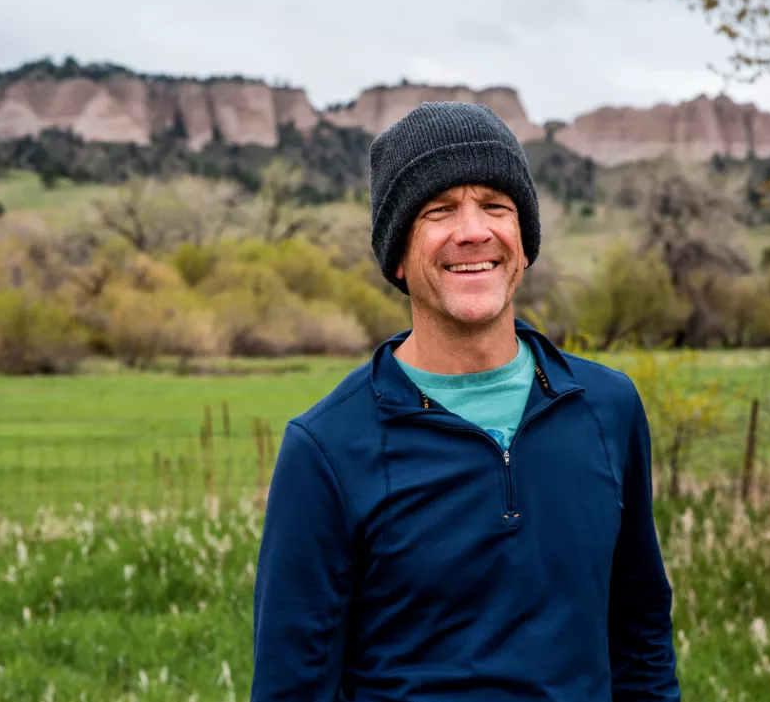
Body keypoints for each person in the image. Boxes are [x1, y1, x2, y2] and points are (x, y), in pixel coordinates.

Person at [249, 102, 680, 701]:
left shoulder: (607, 407)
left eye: (496, 207)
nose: (473, 230)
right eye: (439, 210)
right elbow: (291, 688)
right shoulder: (327, 448)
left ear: (523, 244)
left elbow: (640, 638)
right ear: (398, 256)